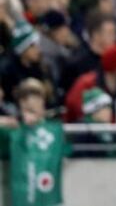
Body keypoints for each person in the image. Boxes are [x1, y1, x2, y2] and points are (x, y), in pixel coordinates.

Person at [0, 78, 68, 206]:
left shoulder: (53, 130)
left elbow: (68, 150)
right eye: (28, 106)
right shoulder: (13, 129)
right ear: (20, 104)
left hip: (47, 196)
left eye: (38, 99)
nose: (35, 104)